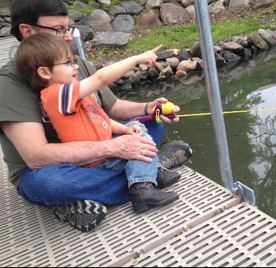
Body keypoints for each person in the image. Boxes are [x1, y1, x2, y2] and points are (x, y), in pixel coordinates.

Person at [0, 0, 193, 232]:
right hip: (52, 168)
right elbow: (36, 156)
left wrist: (148, 109)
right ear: (27, 31)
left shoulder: (73, 63)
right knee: (49, 185)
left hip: (97, 148)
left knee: (151, 125)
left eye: (67, 29)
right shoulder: (8, 83)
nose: (69, 37)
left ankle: (122, 181)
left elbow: (109, 109)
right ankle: (149, 171)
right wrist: (115, 149)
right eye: (58, 30)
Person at [16, 32, 182, 218]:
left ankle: (147, 173)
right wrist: (136, 58)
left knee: (141, 126)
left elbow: (101, 118)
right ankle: (143, 185)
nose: (75, 66)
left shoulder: (75, 92)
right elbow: (100, 79)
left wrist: (126, 129)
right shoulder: (55, 94)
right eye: (68, 62)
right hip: (96, 160)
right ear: (45, 72)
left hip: (108, 146)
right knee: (51, 183)